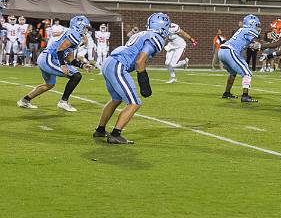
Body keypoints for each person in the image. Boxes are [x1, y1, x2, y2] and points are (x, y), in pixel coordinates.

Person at [93, 13, 170, 144]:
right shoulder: (156, 38)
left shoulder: (143, 34)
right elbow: (140, 62)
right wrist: (144, 84)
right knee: (135, 102)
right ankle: (115, 135)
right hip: (118, 65)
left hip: (109, 62)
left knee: (116, 99)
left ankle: (100, 130)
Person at [17, 16, 93, 112]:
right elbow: (59, 50)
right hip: (49, 58)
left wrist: (82, 65)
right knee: (76, 76)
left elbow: (70, 59)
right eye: (85, 27)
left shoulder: (73, 34)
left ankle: (25, 100)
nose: (86, 30)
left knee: (49, 84)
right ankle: (63, 102)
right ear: (80, 26)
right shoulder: (75, 34)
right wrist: (62, 65)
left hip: (46, 58)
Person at [217, 15, 261, 102]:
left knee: (233, 73)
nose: (258, 27)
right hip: (230, 51)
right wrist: (259, 45)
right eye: (256, 25)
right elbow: (256, 41)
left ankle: (227, 93)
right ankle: (245, 96)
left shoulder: (242, 29)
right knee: (247, 73)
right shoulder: (250, 30)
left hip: (222, 51)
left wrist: (251, 45)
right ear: (252, 24)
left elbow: (245, 42)